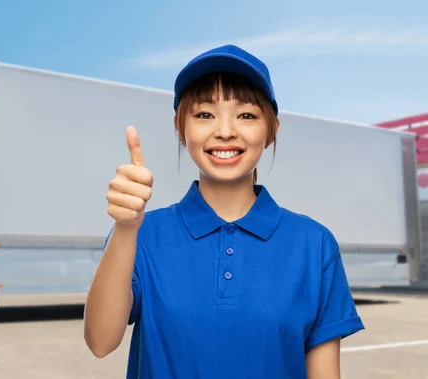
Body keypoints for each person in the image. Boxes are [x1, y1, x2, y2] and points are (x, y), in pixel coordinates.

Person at [83, 44, 365, 378]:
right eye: (204, 114)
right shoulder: (142, 233)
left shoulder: (314, 244)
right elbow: (100, 342)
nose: (226, 131)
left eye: (246, 115)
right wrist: (125, 228)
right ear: (180, 127)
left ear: (272, 128)